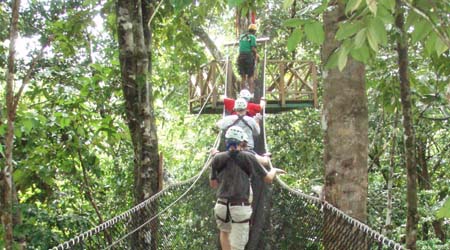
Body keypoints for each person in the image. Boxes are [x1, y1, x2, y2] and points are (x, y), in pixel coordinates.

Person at [210, 126, 284, 250]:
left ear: (226, 141)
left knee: (224, 232)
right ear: (242, 142)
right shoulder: (249, 157)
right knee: (238, 245)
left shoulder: (217, 158)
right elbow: (268, 179)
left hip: (221, 205)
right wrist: (274, 171)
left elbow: (213, 184)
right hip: (240, 207)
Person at [237, 24, 258, 92]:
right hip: (248, 57)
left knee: (243, 77)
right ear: (254, 31)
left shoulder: (242, 37)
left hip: (241, 57)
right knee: (250, 76)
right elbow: (253, 48)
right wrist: (257, 55)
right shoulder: (252, 37)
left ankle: (242, 93)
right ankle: (251, 93)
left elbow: (241, 47)